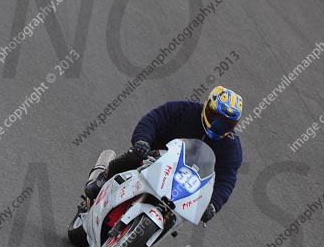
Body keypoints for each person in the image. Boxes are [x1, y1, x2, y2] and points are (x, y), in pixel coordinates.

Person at [84, 86, 243, 223]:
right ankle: (104, 176)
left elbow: (226, 178)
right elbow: (154, 119)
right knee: (135, 155)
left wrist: (214, 204)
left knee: (183, 213)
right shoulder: (184, 110)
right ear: (207, 107)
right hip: (155, 156)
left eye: (226, 124)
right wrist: (142, 141)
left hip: (186, 182)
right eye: (216, 118)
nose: (219, 126)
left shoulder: (231, 147)